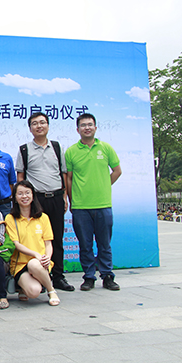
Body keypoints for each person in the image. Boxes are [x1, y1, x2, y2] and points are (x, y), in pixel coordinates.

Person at [15, 112, 74, 292]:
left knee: (56, 238)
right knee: (36, 239)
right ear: (30, 128)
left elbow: (63, 174)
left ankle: (58, 276)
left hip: (56, 197)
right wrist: (22, 200)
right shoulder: (24, 150)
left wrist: (64, 197)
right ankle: (39, 275)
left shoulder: (56, 147)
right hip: (37, 200)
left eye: (42, 122)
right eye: (35, 123)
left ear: (48, 125)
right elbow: (20, 177)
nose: (39, 126)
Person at [65, 113, 122, 291]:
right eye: (83, 125)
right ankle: (89, 277)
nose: (87, 128)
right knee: (85, 245)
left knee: (104, 244)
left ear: (95, 128)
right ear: (78, 129)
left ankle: (107, 276)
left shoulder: (105, 148)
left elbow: (117, 171)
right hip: (81, 207)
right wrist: (72, 200)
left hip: (103, 205)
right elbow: (69, 179)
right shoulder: (71, 151)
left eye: (90, 124)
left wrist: (104, 185)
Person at [5, 180, 60, 306]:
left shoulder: (43, 217)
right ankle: (24, 286)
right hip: (20, 265)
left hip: (40, 263)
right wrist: (35, 254)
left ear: (33, 195)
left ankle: (51, 290)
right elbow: (16, 244)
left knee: (34, 264)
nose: (24, 196)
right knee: (34, 292)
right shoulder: (10, 218)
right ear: (15, 197)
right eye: (20, 194)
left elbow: (48, 243)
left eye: (27, 193)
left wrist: (47, 258)